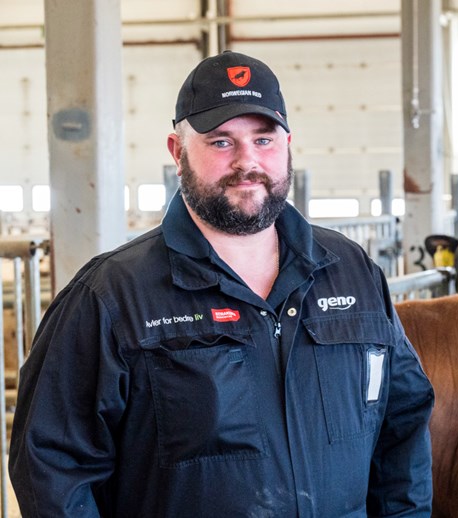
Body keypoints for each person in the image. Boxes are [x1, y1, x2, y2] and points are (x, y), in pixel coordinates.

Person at [9, 50, 435, 517]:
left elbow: (403, 424)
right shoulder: (113, 297)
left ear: (288, 144)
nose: (247, 162)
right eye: (220, 142)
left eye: (264, 139)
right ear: (177, 151)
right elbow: (52, 470)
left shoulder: (351, 271)